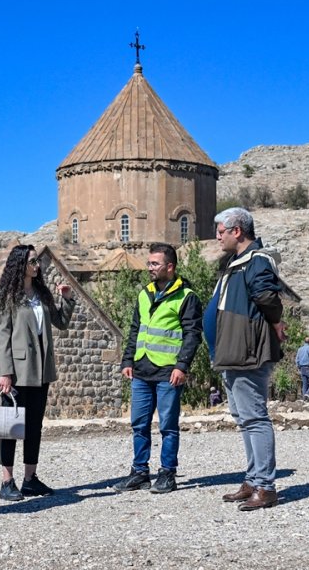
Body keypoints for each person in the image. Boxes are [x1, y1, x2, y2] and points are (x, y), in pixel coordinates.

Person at [204, 207, 287, 511]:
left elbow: (267, 297)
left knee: (254, 417)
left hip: (246, 350)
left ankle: (265, 487)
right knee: (243, 417)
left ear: (237, 231)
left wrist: (277, 324)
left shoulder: (257, 259)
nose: (217, 236)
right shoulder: (236, 262)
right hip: (231, 352)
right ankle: (253, 479)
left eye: (221, 231)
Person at [115, 243, 203, 494]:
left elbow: (192, 334)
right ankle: (140, 472)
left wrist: (182, 366)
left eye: (155, 264)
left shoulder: (186, 297)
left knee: (168, 425)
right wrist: (127, 360)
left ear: (170, 267)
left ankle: (167, 473)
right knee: (139, 424)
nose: (149, 268)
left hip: (168, 371)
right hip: (141, 370)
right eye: (149, 263)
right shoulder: (144, 294)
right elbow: (135, 329)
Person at [0, 245, 76, 501]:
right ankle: (7, 481)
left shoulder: (41, 294)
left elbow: (61, 323)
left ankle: (30, 478)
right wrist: (5, 372)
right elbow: (2, 336)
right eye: (32, 262)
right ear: (20, 265)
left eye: (37, 261)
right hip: (17, 371)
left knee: (34, 426)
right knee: (10, 427)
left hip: (41, 370)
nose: (37, 266)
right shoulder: (7, 296)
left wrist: (67, 299)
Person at [295, 336, 309, 401]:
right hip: (308, 368)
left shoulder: (300, 349)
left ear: (304, 342)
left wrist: (298, 367)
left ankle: (304, 399)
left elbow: (297, 360)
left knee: (304, 384)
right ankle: (308, 393)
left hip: (302, 368)